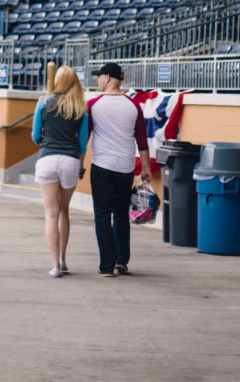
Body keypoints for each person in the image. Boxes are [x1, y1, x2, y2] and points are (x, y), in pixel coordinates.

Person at [87, 61, 152, 277]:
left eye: (99, 77)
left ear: (107, 78)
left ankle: (106, 266)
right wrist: (145, 168)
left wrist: (78, 164)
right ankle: (121, 260)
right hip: (125, 168)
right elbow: (142, 140)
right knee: (121, 214)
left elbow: (84, 137)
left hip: (102, 166)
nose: (97, 80)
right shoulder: (133, 105)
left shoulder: (94, 104)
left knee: (102, 215)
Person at [31, 65, 89, 277]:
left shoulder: (43, 102)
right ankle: (63, 259)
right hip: (70, 160)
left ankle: (54, 265)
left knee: (51, 214)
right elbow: (82, 143)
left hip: (47, 158)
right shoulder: (81, 108)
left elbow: (36, 137)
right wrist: (81, 165)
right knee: (64, 211)